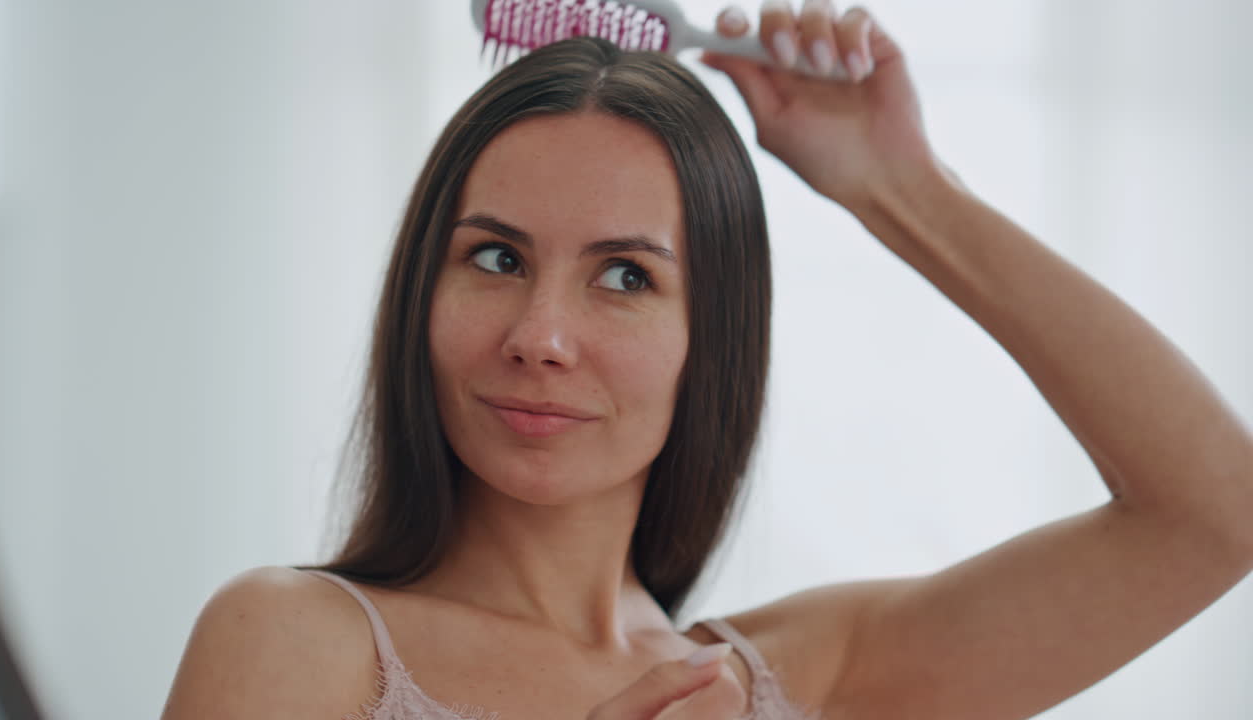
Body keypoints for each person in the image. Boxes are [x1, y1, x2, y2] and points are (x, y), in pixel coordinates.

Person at [161, 3, 1253, 719]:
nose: (538, 333)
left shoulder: (798, 681)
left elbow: (1214, 512)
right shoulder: (297, 644)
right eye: (494, 256)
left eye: (625, 275)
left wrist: (898, 186)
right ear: (420, 293)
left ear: (710, 338)